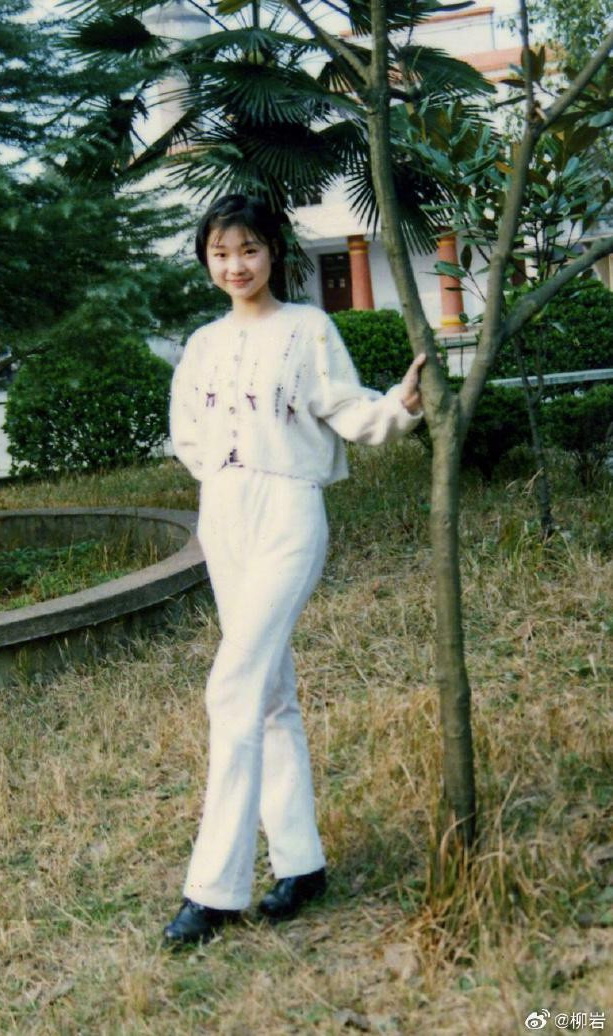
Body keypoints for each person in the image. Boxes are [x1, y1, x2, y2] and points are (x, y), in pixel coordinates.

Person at [165, 194, 425, 947]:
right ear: (206, 261)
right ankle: (301, 864)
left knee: (233, 685)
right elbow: (187, 432)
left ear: (273, 253)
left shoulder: (308, 328)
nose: (236, 265)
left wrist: (400, 406)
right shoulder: (203, 344)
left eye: (248, 249)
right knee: (271, 694)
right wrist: (228, 475)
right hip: (224, 514)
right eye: (220, 253)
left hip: (287, 512)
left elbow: (346, 409)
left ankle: (213, 891)